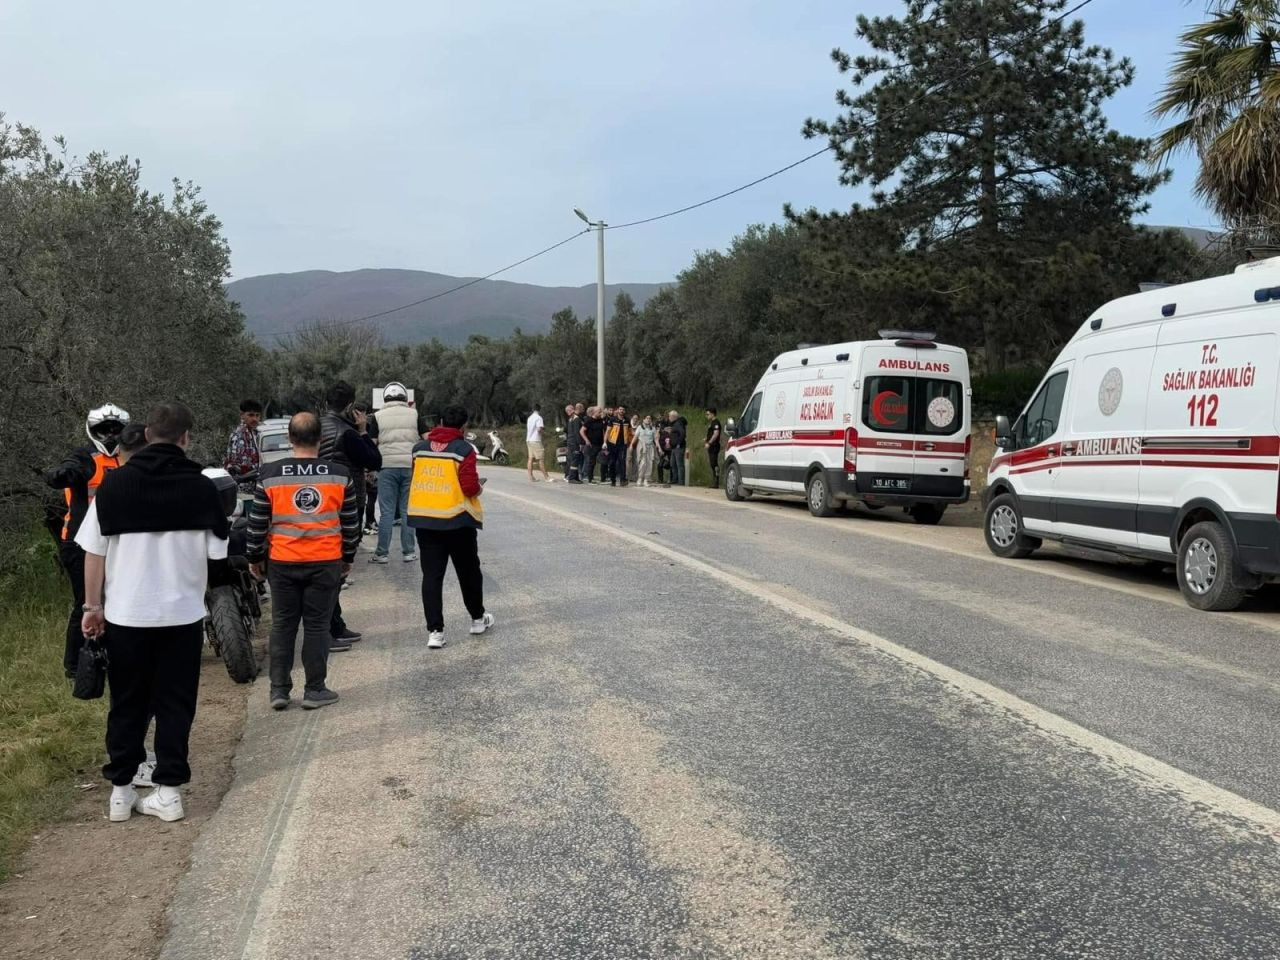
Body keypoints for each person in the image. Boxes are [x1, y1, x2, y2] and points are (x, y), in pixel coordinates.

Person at [77, 402, 229, 824]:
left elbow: (94, 554)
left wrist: (93, 608)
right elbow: (218, 556)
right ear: (186, 438)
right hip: (181, 617)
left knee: (126, 703)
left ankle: (121, 794)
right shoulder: (202, 489)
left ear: (146, 437)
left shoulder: (113, 487)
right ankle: (168, 793)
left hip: (127, 616)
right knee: (175, 704)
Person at [247, 412, 359, 711]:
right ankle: (315, 690)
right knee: (317, 626)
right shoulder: (339, 474)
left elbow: (257, 524)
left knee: (283, 625)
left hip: (282, 561)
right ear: (320, 440)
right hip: (325, 561)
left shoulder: (269, 475)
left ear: (290, 439)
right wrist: (348, 556)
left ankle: (279, 691)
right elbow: (350, 523)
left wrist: (255, 558)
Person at [47, 403, 131, 678]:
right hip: (79, 543)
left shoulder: (130, 457)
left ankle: (115, 655)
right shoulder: (84, 457)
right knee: (86, 601)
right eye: (103, 430)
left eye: (115, 429)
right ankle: (74, 667)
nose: (109, 435)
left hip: (117, 540)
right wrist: (64, 474)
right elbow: (64, 472)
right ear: (92, 431)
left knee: (119, 598)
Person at [407, 405, 494, 649]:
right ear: (463, 427)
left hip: (425, 519)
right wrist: (479, 488)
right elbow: (468, 487)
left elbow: (418, 478)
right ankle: (477, 619)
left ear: (440, 422)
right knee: (468, 572)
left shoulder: (419, 450)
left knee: (432, 577)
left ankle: (435, 632)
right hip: (457, 521)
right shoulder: (463, 450)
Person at [319, 381, 382, 650]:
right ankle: (330, 628)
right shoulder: (348, 433)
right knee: (338, 567)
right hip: (346, 498)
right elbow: (374, 461)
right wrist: (364, 431)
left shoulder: (314, 426)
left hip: (319, 499)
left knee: (327, 565)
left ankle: (336, 624)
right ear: (350, 406)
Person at [370, 381, 420, 563]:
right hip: (410, 467)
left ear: (385, 397)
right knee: (407, 511)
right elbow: (426, 438)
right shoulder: (414, 414)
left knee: (387, 512)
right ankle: (409, 552)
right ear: (405, 397)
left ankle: (382, 553)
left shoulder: (377, 416)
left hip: (386, 467)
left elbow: (373, 442)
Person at [224, 399, 263, 491]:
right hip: (243, 488)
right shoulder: (238, 436)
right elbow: (236, 465)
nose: (255, 419)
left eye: (257, 415)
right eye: (251, 415)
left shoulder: (254, 433)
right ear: (242, 415)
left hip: (253, 486)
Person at [603, 405, 632, 487]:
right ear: (618, 410)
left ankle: (622, 480)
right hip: (612, 443)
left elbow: (630, 432)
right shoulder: (612, 420)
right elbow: (608, 431)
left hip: (623, 444)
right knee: (612, 462)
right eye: (620, 409)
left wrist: (630, 442)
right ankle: (613, 479)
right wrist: (605, 442)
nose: (622, 411)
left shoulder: (627, 420)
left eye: (623, 409)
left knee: (622, 462)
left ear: (624, 411)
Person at [526, 403, 551, 483]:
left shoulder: (530, 418)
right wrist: (545, 433)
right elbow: (539, 429)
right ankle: (546, 477)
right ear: (539, 409)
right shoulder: (539, 418)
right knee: (541, 459)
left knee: (531, 459)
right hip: (536, 440)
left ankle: (531, 477)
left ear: (533, 409)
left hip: (529, 440)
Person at [580, 406, 605, 483]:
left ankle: (603, 478)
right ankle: (590, 478)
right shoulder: (589, 420)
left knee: (603, 460)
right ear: (594, 412)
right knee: (592, 461)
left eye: (601, 411)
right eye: (599, 412)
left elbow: (604, 431)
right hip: (592, 444)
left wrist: (605, 441)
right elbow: (581, 431)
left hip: (600, 444)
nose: (600, 413)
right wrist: (586, 440)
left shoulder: (601, 420)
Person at [633, 415, 657, 486]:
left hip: (650, 446)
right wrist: (631, 445)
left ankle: (646, 479)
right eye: (647, 418)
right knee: (642, 463)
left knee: (649, 464)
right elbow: (636, 437)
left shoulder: (653, 428)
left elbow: (655, 439)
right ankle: (640, 478)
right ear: (643, 420)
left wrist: (658, 446)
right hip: (642, 446)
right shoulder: (640, 427)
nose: (648, 419)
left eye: (650, 418)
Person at [667, 410, 688, 486]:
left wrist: (678, 443)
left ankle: (681, 481)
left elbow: (682, 433)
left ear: (673, 417)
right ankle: (674, 479)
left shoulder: (678, 423)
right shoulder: (674, 424)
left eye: (669, 416)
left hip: (678, 447)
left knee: (679, 464)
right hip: (673, 447)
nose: (669, 418)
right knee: (673, 463)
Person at [704, 407, 723, 488]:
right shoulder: (712, 422)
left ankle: (716, 482)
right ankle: (715, 481)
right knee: (712, 464)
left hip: (714, 446)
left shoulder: (716, 422)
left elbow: (716, 434)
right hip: (712, 445)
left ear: (712, 414)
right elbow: (712, 433)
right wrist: (706, 438)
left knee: (714, 463)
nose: (706, 416)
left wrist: (709, 442)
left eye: (708, 414)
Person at [563, 404, 580, 482]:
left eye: (569, 411)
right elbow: (577, 433)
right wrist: (578, 443)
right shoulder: (576, 419)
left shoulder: (570, 419)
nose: (568, 412)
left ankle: (575, 477)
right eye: (567, 411)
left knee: (572, 459)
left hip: (570, 442)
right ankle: (572, 477)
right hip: (574, 443)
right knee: (574, 460)